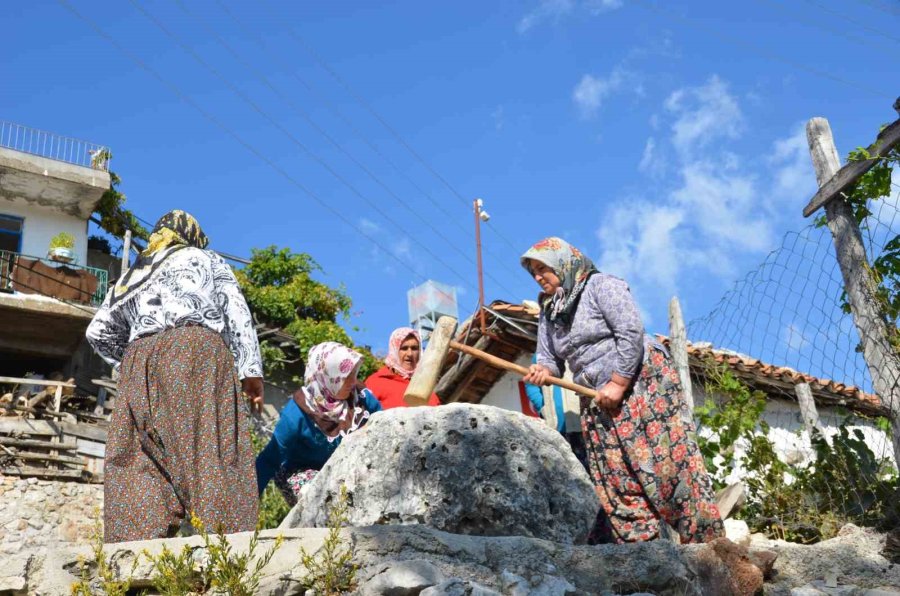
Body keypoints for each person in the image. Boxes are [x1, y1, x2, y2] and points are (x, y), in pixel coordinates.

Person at [520, 237, 723, 545]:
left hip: (642, 385)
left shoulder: (600, 285)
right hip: (597, 398)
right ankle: (648, 560)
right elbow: (550, 358)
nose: (537, 277)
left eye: (542, 268)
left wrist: (618, 381)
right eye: (532, 271)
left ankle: (710, 551)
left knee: (668, 467)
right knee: (617, 478)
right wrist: (543, 371)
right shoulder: (550, 310)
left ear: (563, 263)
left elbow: (629, 330)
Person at [86, 210, 263, 543]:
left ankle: (133, 558)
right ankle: (229, 550)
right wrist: (250, 370)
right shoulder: (205, 258)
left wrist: (131, 361)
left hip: (138, 359)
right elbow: (236, 311)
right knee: (211, 449)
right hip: (195, 349)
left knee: (138, 459)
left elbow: (98, 331)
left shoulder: (135, 272)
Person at [255, 341, 383, 505]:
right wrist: (247, 505)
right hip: (299, 471)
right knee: (318, 497)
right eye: (345, 376)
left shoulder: (362, 398)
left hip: (343, 471)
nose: (352, 381)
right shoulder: (297, 413)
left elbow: (383, 427)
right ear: (327, 375)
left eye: (354, 374)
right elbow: (270, 459)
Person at [523, 355, 588, 469]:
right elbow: (531, 385)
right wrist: (542, 406)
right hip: (557, 426)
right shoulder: (540, 357)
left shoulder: (578, 350)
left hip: (582, 421)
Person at [365, 327, 441, 409]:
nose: (410, 354)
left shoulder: (426, 388)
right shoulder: (375, 383)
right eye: (404, 348)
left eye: (414, 348)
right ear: (394, 350)